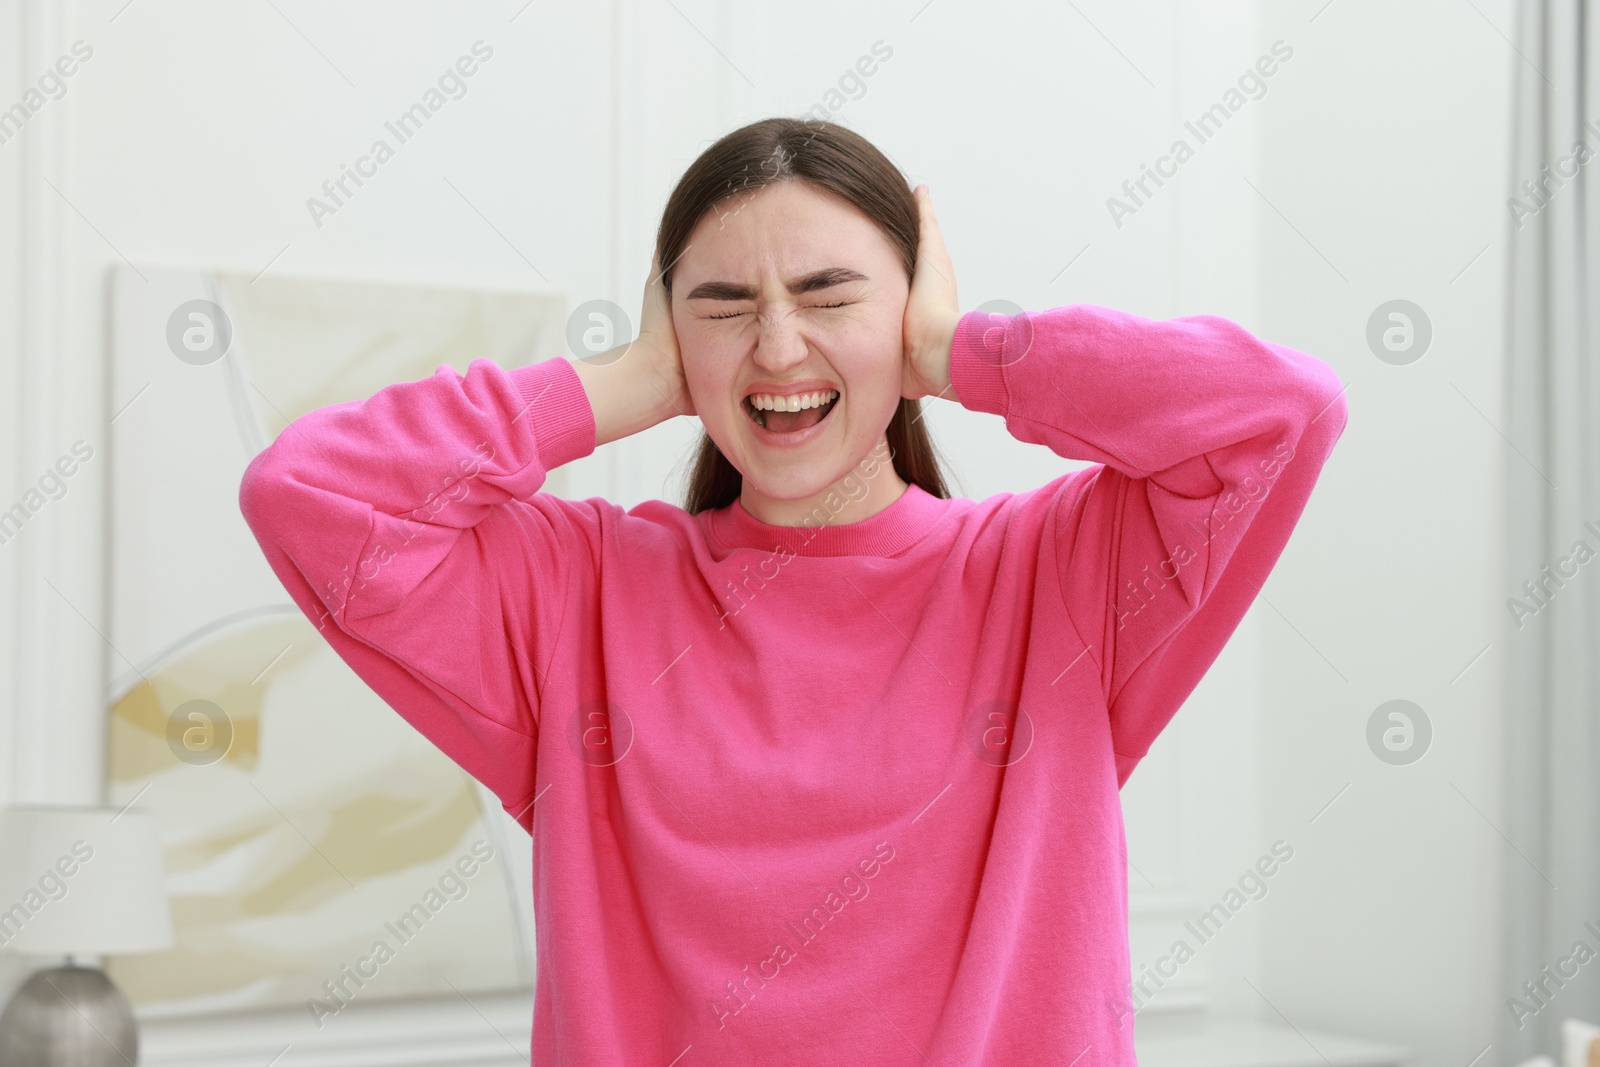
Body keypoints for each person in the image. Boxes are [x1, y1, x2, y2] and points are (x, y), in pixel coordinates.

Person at [238, 117, 1349, 1065]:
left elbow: (1278, 410)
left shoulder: (1057, 579)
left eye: (829, 295)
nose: (776, 345)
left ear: (906, 313)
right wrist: (628, 383)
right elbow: (307, 492)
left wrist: (962, 352)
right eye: (722, 305)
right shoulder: (576, 593)